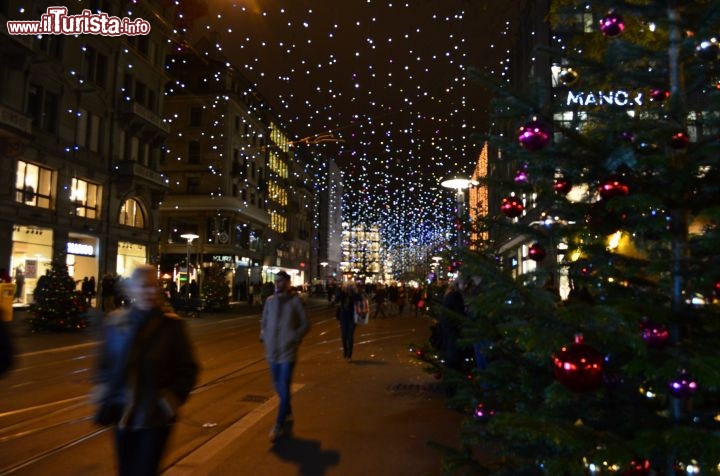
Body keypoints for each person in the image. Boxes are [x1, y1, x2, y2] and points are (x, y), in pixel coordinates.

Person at [92, 265, 199, 476]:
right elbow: (104, 365)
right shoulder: (116, 323)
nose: (151, 292)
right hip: (123, 415)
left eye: (154, 286)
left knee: (145, 471)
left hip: (155, 418)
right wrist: (105, 391)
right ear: (131, 290)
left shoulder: (171, 327)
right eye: (144, 287)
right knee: (125, 470)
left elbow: (189, 370)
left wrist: (169, 400)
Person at [260, 270, 310, 442]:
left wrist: (294, 337)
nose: (278, 283)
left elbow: (305, 323)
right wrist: (264, 335)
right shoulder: (270, 301)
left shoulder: (295, 302)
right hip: (272, 351)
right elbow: (264, 320)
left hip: (288, 352)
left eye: (282, 281)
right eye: (277, 281)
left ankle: (278, 425)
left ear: (288, 283)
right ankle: (287, 411)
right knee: (278, 387)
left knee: (283, 389)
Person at [335, 281, 362, 361]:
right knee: (344, 337)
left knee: (350, 337)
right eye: (347, 286)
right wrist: (343, 291)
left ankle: (349, 355)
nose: (348, 288)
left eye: (350, 286)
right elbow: (336, 299)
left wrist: (353, 292)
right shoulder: (343, 293)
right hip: (343, 318)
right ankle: (345, 352)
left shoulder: (355, 294)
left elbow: (359, 299)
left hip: (352, 318)